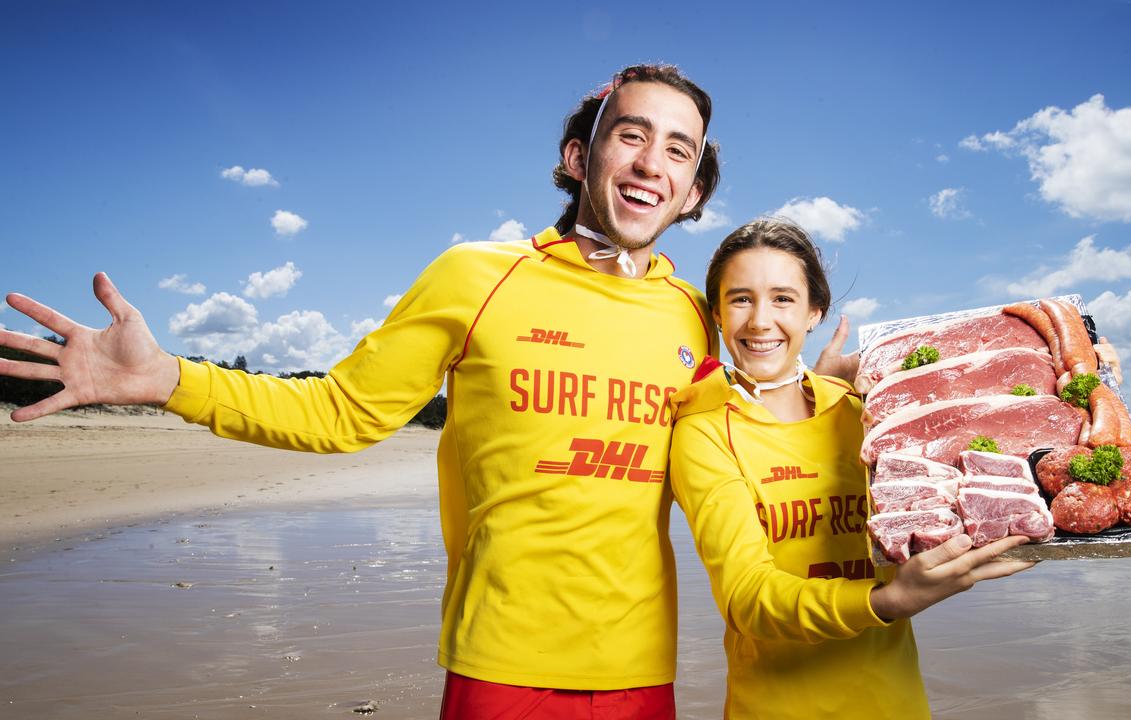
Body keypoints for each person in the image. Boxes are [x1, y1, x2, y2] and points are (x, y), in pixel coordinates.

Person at [1, 64, 844, 719]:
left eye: (678, 149)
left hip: (643, 672)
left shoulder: (694, 317)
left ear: (693, 191)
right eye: (631, 135)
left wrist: (853, 401)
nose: (651, 162)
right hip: (499, 665)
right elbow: (338, 412)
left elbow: (751, 434)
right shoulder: (474, 276)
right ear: (579, 156)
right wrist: (168, 378)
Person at [667, 219, 1041, 719]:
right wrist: (885, 602)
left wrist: (1076, 370)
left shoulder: (863, 413)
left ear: (814, 311)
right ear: (716, 312)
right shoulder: (705, 432)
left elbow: (991, 423)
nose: (759, 321)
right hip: (776, 706)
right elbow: (747, 598)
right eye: (740, 299)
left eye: (782, 298)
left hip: (894, 703)